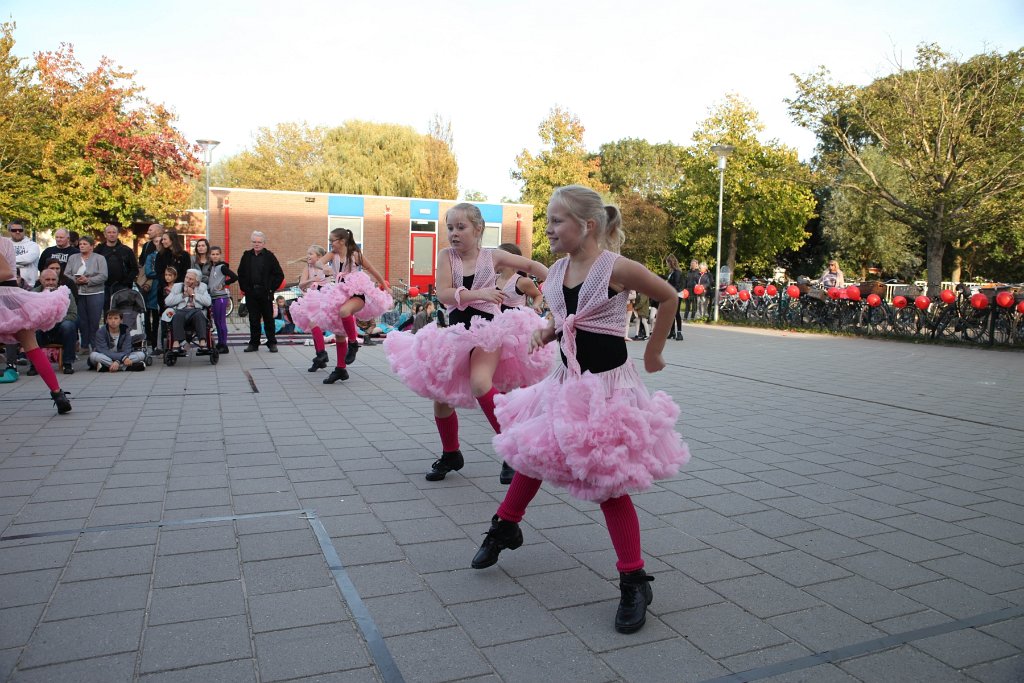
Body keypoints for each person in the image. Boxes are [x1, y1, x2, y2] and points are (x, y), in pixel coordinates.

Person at [469, 185, 690, 634]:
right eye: (547, 220)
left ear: (587, 225)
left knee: (607, 481)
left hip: (606, 391)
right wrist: (546, 333)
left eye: (556, 221)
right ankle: (505, 526)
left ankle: (634, 578)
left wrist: (653, 353)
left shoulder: (615, 268)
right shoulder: (556, 272)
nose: (547, 229)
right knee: (533, 454)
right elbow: (563, 316)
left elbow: (668, 296)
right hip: (565, 382)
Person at [384, 203, 552, 485]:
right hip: (457, 332)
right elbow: (445, 294)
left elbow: (531, 266)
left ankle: (512, 448)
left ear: (478, 229)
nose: (454, 233)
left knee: (479, 382)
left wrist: (558, 281)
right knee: (441, 396)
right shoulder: (447, 256)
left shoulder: (494, 256)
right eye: (450, 228)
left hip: (489, 331)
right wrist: (480, 292)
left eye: (461, 227)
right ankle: (451, 453)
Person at [290, 229, 390, 381]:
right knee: (339, 333)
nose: (330, 243)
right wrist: (324, 268)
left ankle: (354, 343)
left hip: (356, 293)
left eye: (333, 240)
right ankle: (341, 369)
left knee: (345, 311)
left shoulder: (355, 255)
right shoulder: (332, 254)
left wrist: (385, 285)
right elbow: (318, 262)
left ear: (342, 241)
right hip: (339, 294)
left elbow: (373, 270)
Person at [0, 235, 73, 412]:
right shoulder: (6, 242)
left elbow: (6, 272)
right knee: (32, 347)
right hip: (10, 298)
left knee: (31, 346)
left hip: (5, 296)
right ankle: (58, 394)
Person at [237, 231, 285, 353]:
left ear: (263, 243)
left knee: (268, 319)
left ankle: (272, 343)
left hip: (265, 293)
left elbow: (279, 275)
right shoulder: (246, 256)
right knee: (253, 319)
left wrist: (270, 288)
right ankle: (254, 343)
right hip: (251, 292)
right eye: (254, 242)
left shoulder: (270, 256)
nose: (256, 244)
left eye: (259, 242)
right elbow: (240, 273)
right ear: (251, 242)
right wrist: (245, 288)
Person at [65, 235, 108, 357]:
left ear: (91, 246)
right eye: (80, 244)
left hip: (95, 292)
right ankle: (84, 346)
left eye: (85, 244)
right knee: (82, 321)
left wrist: (88, 280)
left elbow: (103, 275)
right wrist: (75, 280)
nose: (82, 246)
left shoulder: (99, 258)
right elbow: (66, 274)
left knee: (94, 321)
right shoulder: (73, 258)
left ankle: (95, 345)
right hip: (78, 293)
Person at [30, 269, 78, 375]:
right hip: (41, 328)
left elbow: (73, 315)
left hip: (60, 328)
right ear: (41, 280)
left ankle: (67, 364)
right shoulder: (33, 294)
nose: (51, 282)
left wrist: (55, 320)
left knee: (69, 325)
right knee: (33, 329)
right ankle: (35, 365)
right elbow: (29, 315)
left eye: (53, 279)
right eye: (47, 279)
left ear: (57, 281)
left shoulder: (66, 293)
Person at [293, 245, 330, 371]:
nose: (308, 256)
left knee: (315, 325)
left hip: (323, 298)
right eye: (307, 253)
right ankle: (320, 357)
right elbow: (301, 284)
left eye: (311, 254)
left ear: (319, 257)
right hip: (311, 298)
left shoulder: (325, 267)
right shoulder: (308, 267)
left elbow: (330, 280)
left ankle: (321, 354)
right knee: (314, 328)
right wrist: (312, 279)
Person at [164, 268, 212, 352]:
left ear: (197, 281)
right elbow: (167, 302)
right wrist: (183, 295)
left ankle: (202, 342)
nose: (187, 280)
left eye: (190, 279)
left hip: (196, 311)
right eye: (186, 277)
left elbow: (208, 302)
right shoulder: (177, 286)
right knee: (177, 315)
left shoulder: (202, 286)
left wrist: (193, 294)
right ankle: (177, 343)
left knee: (199, 314)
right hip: (182, 311)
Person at [95, 224, 139, 312]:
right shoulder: (99, 250)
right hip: (103, 286)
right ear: (105, 234)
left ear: (117, 234)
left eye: (114, 232)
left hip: (122, 286)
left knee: (122, 312)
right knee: (107, 311)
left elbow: (134, 269)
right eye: (109, 232)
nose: (111, 234)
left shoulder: (126, 250)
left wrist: (126, 282)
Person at [208, 246, 237, 353]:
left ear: (220, 255)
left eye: (217, 254)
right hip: (214, 297)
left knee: (221, 322)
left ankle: (223, 345)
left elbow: (234, 277)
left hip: (221, 297)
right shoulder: (212, 267)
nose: (215, 256)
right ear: (210, 256)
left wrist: (224, 284)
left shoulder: (222, 267)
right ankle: (220, 343)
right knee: (216, 321)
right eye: (213, 254)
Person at [9, 222, 40, 288]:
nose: (17, 232)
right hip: (9, 285)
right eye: (14, 230)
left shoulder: (33, 245)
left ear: (24, 231)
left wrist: (10, 261)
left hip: (30, 285)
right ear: (9, 231)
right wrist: (22, 264)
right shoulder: (6, 245)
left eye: (20, 230)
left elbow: (28, 259)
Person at [664, 255, 684, 340]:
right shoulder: (671, 272)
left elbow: (676, 284)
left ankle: (679, 333)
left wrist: (669, 289)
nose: (666, 265)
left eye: (667, 263)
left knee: (676, 313)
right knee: (671, 313)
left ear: (670, 262)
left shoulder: (677, 272)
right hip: (672, 294)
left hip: (677, 294)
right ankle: (672, 331)